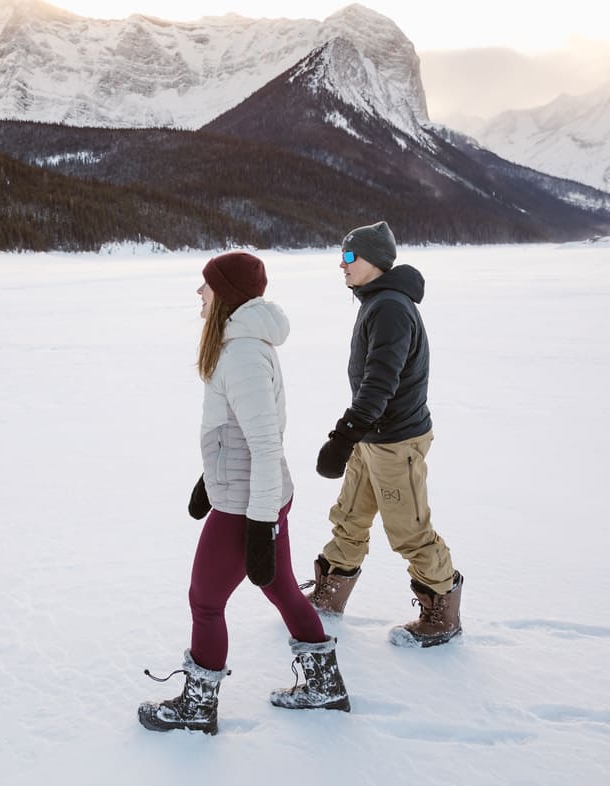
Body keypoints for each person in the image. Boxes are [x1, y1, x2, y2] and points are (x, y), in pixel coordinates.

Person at [139, 251, 350, 735]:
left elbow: (263, 442)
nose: (199, 293)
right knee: (277, 585)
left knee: (205, 602)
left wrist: (259, 525)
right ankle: (325, 686)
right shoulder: (239, 346)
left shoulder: (243, 354)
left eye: (206, 285)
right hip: (249, 492)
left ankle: (197, 708)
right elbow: (234, 429)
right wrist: (208, 479)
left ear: (227, 294)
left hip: (248, 502)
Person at [307, 221, 465, 648]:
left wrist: (343, 436)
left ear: (371, 261)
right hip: (373, 436)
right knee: (350, 517)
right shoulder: (377, 302)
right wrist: (355, 437)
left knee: (410, 530)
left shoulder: (391, 307)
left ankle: (442, 612)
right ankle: (329, 596)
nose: (341, 266)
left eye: (348, 257)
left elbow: (380, 382)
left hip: (395, 440)